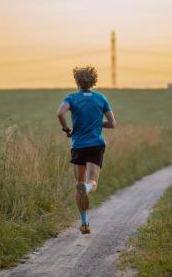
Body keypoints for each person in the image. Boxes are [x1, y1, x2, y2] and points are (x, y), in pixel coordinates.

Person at [57, 65, 117, 234]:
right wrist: (99, 123)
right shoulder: (101, 98)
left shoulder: (71, 98)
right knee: (92, 182)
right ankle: (88, 188)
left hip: (78, 145)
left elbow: (60, 113)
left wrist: (67, 130)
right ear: (93, 81)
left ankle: (85, 223)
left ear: (77, 81)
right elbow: (113, 124)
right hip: (96, 144)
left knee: (79, 184)